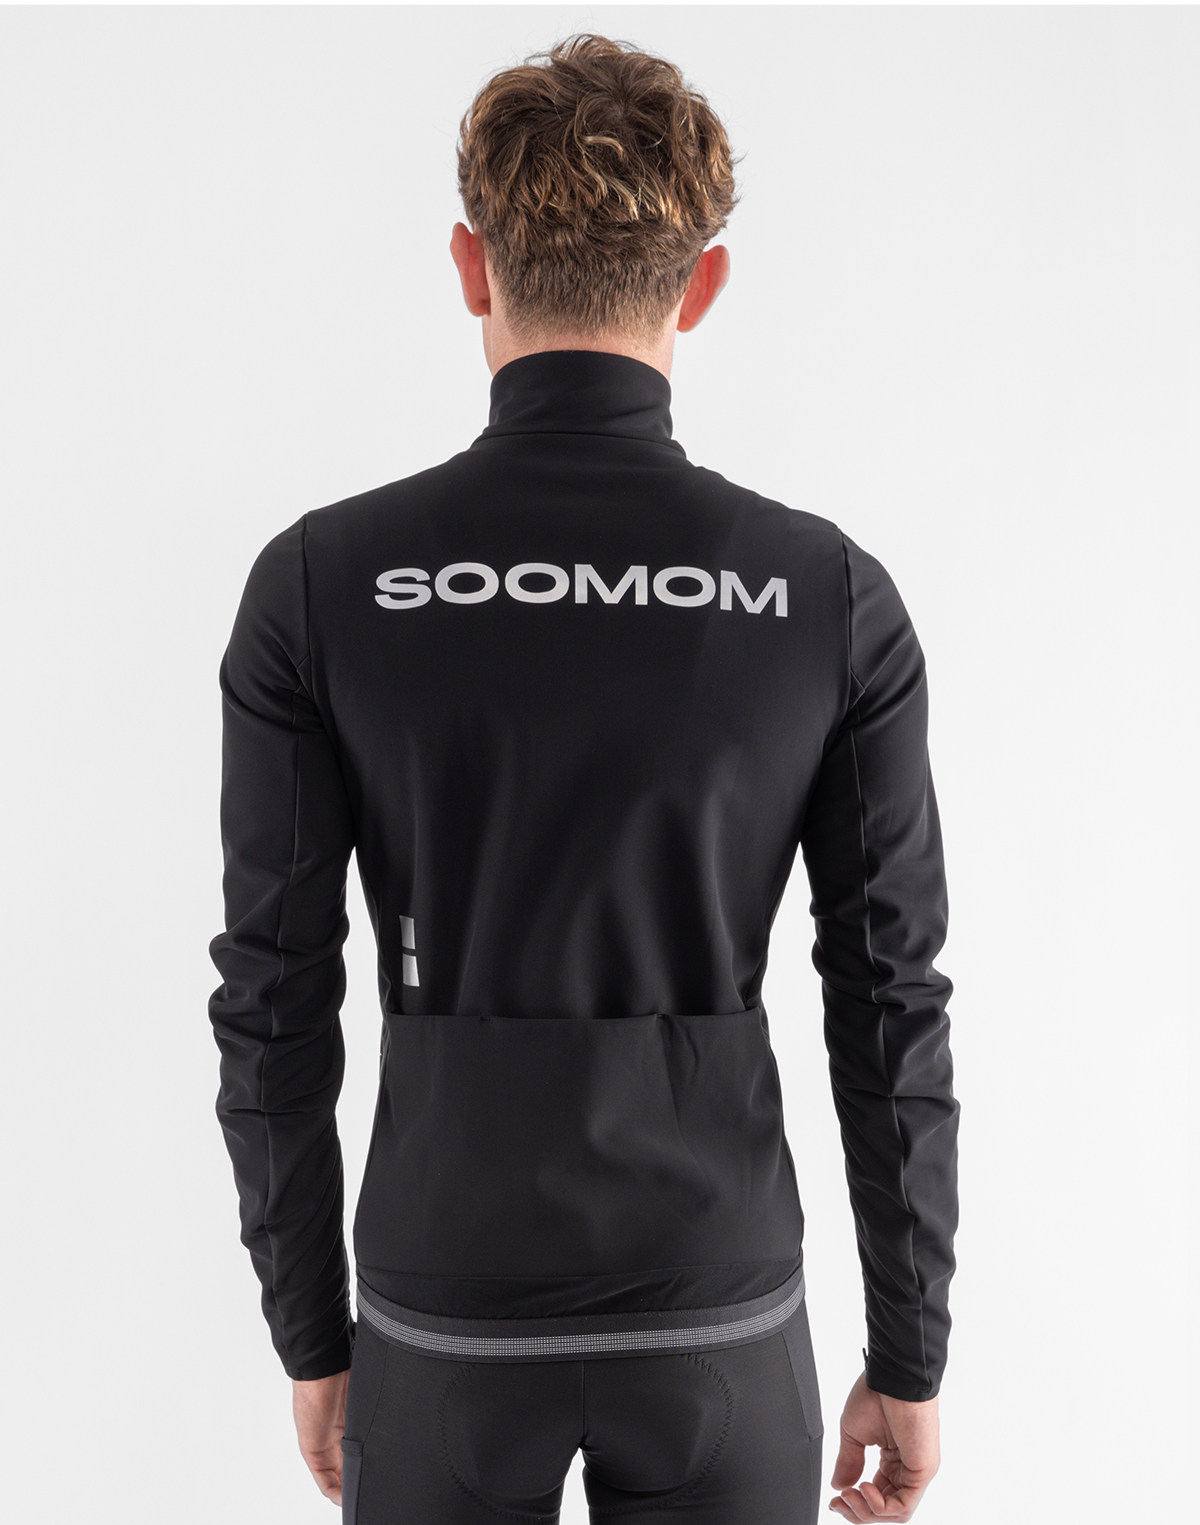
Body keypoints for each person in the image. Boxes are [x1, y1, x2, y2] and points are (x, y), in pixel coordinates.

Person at [207, 31, 959, 1525]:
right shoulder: (824, 596)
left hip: (438, 1310)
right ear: (702, 285)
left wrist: (311, 1332)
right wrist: (911, 1348)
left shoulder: (323, 584)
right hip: (719, 1309)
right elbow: (889, 996)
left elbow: (273, 994)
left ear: (469, 267)